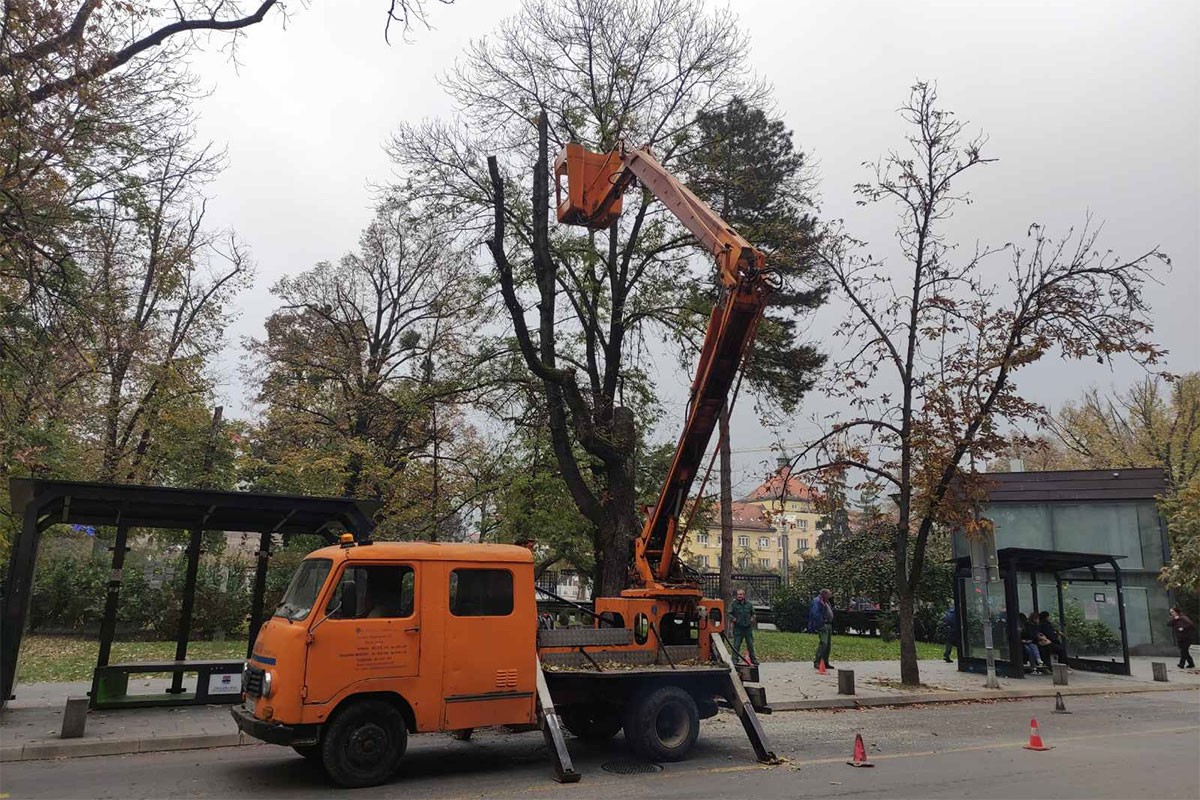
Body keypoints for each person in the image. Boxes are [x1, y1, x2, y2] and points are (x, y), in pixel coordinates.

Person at [807, 588, 835, 670]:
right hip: (823, 625)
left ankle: (825, 662)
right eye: (829, 595)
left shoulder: (826, 601)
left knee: (828, 644)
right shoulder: (817, 601)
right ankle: (817, 661)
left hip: (828, 624)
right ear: (824, 594)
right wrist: (821, 622)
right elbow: (815, 613)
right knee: (824, 643)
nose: (830, 597)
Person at [729, 588, 758, 665]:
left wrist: (752, 618)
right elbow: (729, 613)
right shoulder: (733, 604)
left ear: (744, 595)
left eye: (741, 594)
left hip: (747, 628)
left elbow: (753, 613)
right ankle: (734, 659)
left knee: (750, 644)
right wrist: (733, 619)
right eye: (738, 594)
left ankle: (753, 659)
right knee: (736, 644)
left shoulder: (749, 604)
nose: (739, 596)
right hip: (738, 628)